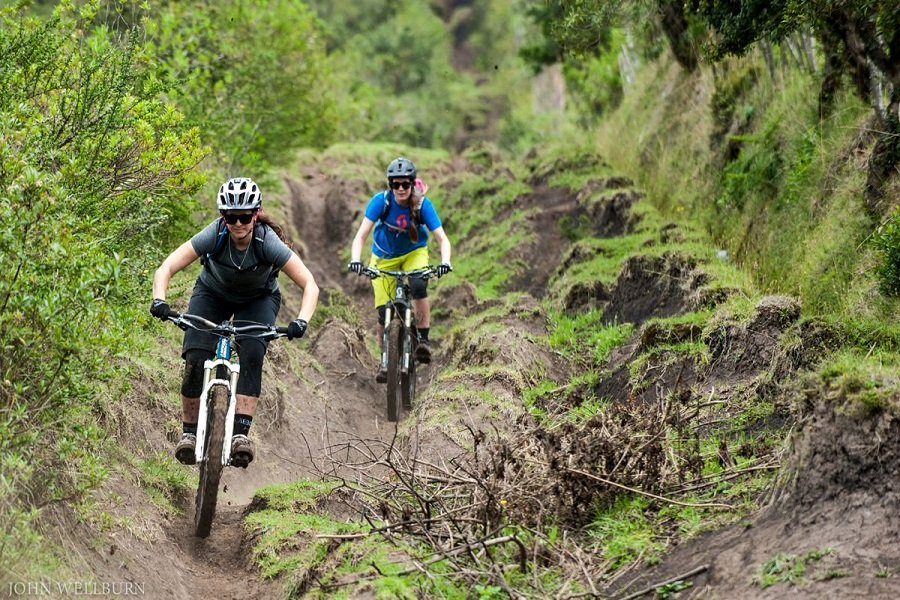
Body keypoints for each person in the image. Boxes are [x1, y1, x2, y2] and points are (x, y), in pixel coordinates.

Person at [150, 177, 319, 468]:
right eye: (231, 217)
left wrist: (301, 320)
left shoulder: (268, 243)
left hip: (258, 300)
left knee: (253, 352)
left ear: (255, 215)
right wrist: (159, 299)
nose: (238, 224)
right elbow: (167, 267)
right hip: (212, 294)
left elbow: (310, 285)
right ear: (222, 217)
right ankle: (189, 434)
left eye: (244, 217)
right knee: (195, 356)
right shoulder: (213, 235)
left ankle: (241, 435)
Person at [348, 157, 452, 381]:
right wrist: (356, 259)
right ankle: (385, 358)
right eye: (396, 184)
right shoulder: (381, 202)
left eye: (405, 184)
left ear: (413, 184)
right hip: (383, 256)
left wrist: (445, 262)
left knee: (417, 285)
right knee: (383, 312)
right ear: (390, 185)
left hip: (414, 253)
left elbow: (442, 239)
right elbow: (360, 236)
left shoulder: (423, 205)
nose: (401, 189)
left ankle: (423, 340)